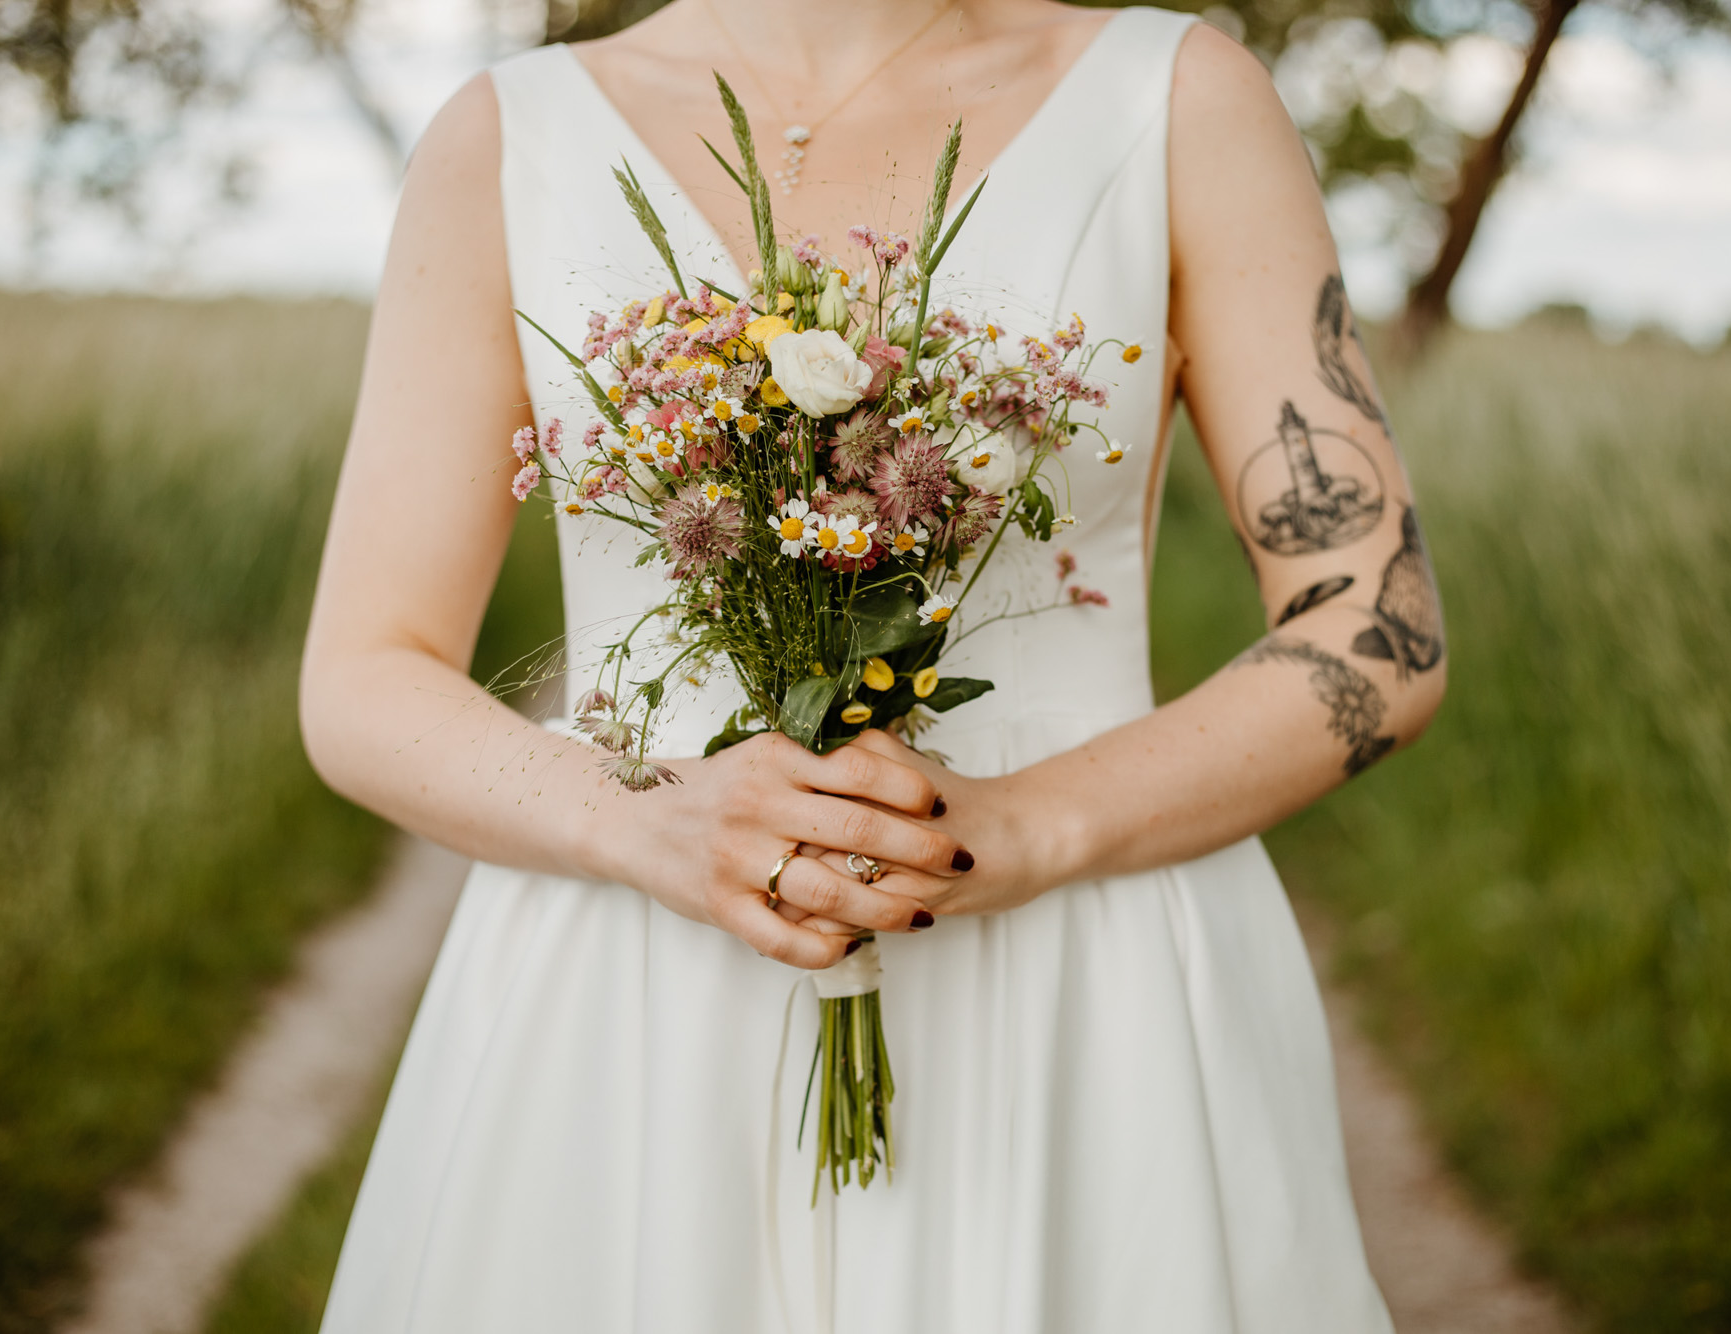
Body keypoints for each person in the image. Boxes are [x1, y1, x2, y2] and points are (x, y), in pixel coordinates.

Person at [299, 1, 1445, 1328]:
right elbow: (364, 674)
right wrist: (645, 819)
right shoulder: (507, 137)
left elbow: (1379, 624)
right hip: (633, 982)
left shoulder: (1181, 99)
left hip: (1079, 969)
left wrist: (1027, 827)